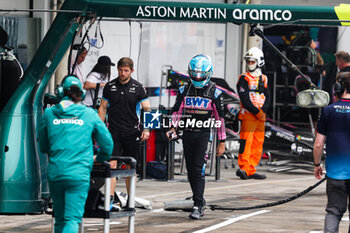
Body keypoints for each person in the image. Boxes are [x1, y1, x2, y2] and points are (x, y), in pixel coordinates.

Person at [38, 75, 113, 233]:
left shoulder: (49, 114)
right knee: (71, 220)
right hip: (78, 174)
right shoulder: (89, 114)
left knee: (59, 219)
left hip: (56, 173)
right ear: (82, 94)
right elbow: (107, 145)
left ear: (59, 92)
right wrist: (98, 158)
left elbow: (43, 146)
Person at [166, 54, 226, 220]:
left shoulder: (215, 92)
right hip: (188, 134)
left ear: (209, 73)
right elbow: (177, 112)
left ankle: (198, 205)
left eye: (201, 75)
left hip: (204, 135)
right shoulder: (184, 90)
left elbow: (220, 119)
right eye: (195, 74)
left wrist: (222, 142)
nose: (198, 78)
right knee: (191, 170)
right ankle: (198, 198)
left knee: (198, 169)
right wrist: (172, 127)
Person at [98, 57, 150, 200]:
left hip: (132, 132)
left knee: (130, 168)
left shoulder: (139, 88)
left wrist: (146, 129)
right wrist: (99, 128)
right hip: (113, 132)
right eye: (120, 70)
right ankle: (109, 200)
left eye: (126, 71)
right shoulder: (110, 86)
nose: (122, 73)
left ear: (131, 71)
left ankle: (130, 200)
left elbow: (147, 108)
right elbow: (102, 108)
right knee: (111, 165)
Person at [313, 72, 350, 233]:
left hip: (336, 173)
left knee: (334, 211)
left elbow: (318, 144)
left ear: (338, 88)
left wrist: (316, 164)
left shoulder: (328, 111)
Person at [236, 47, 270, 180]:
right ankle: (243, 168)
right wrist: (257, 112)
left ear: (259, 61)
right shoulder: (244, 78)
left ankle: (251, 169)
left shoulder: (264, 78)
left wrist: (263, 112)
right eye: (248, 61)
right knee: (246, 142)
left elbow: (268, 97)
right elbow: (245, 99)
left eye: (252, 61)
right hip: (249, 116)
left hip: (260, 116)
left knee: (258, 143)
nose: (250, 63)